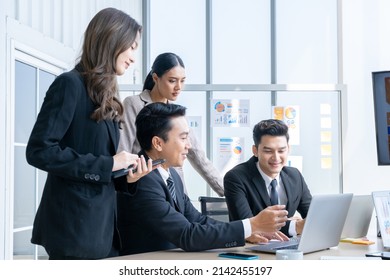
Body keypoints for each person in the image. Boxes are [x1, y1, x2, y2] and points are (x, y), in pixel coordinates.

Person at [25, 8, 153, 260]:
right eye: (132, 46)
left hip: (103, 230)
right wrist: (109, 164)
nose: (133, 58)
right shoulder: (69, 85)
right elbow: (39, 151)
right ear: (112, 38)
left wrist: (125, 177)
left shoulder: (105, 94)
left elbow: (99, 166)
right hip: (73, 231)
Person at [116, 102, 289, 255]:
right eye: (183, 138)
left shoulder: (171, 174)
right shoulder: (142, 180)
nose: (188, 146)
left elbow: (199, 220)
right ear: (158, 143)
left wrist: (247, 232)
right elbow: (188, 235)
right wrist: (252, 224)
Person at [118, 52, 224, 196]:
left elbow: (199, 156)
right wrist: (125, 183)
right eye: (172, 80)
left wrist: (227, 192)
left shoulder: (176, 113)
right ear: (156, 78)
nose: (178, 87)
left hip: (175, 189)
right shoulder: (134, 104)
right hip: (145, 186)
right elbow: (123, 150)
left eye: (182, 81)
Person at [224, 119, 313, 244]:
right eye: (268, 151)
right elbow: (250, 227)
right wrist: (295, 226)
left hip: (286, 247)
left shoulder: (294, 176)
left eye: (281, 151)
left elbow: (313, 217)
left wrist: (301, 223)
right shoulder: (236, 178)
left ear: (288, 149)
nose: (276, 158)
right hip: (252, 251)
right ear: (255, 150)